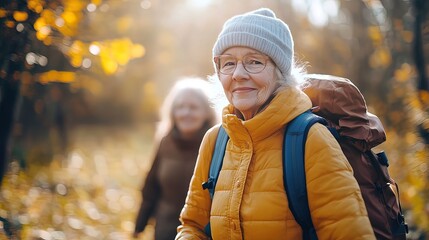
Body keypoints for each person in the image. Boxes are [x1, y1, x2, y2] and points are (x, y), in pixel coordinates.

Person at [175, 8, 376, 240]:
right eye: (228, 63)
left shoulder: (311, 138)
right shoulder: (215, 140)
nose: (238, 74)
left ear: (280, 72)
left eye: (254, 61)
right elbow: (192, 225)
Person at [133, 77, 218, 240]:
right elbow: (150, 187)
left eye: (193, 107)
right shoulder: (165, 142)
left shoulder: (219, 143)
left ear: (207, 112)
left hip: (204, 234)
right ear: (172, 111)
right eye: (180, 107)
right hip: (165, 231)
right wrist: (139, 225)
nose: (186, 113)